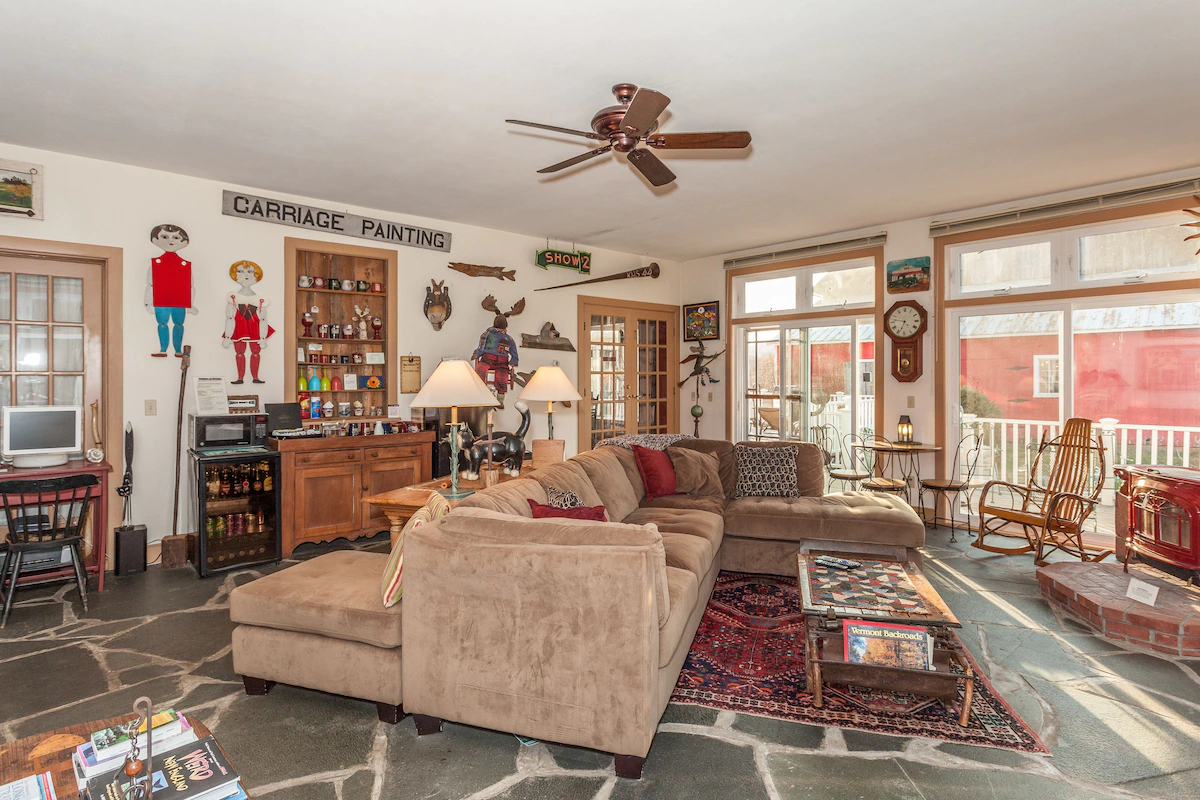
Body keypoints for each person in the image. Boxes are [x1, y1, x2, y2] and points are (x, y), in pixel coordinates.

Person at [144, 224, 198, 357]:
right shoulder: (156, 263)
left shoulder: (185, 264)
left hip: (180, 301)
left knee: (179, 324)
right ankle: (163, 349)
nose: (170, 241)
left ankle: (178, 350)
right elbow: (150, 284)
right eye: (164, 237)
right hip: (161, 300)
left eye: (176, 237)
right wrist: (148, 302)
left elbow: (190, 286)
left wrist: (190, 305)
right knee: (162, 324)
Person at [222, 260, 275, 384]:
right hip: (239, 327)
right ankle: (240, 378)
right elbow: (230, 317)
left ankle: (255, 377)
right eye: (241, 271)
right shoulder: (233, 298)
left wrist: (262, 337)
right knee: (239, 352)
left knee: (255, 352)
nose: (246, 275)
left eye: (250, 272)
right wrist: (228, 336)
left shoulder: (259, 300)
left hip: (254, 328)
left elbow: (262, 319)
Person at [472, 313, 518, 408]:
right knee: (480, 370)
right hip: (487, 359)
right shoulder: (488, 334)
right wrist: (477, 353)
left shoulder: (508, 338)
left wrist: (513, 360)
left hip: (502, 362)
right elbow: (481, 346)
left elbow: (513, 351)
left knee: (502, 377)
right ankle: (480, 393)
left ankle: (500, 400)